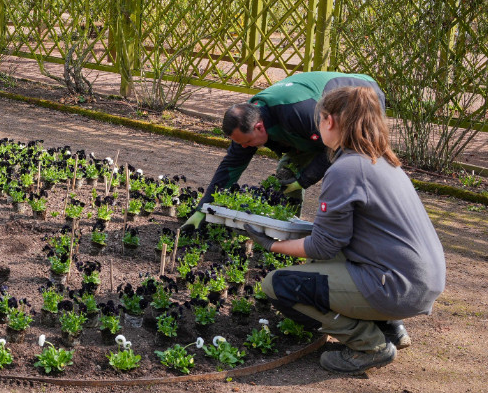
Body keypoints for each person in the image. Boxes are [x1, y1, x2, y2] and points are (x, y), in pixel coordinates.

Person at [245, 86, 446, 374]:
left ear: (330, 121)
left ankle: (369, 345)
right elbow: (340, 236)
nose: (318, 126)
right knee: (320, 266)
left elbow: (323, 246)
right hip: (420, 279)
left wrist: (270, 244)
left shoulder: (344, 169)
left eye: (320, 119)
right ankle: (390, 327)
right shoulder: (383, 160)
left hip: (397, 286)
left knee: (278, 285)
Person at [183, 71, 385, 229]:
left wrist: (304, 180)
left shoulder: (302, 113)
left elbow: (336, 148)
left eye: (246, 142)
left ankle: (363, 229)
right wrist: (204, 208)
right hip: (311, 129)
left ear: (259, 128)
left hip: (362, 97)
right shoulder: (247, 120)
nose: (243, 147)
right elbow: (231, 164)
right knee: (286, 172)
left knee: (352, 168)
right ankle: (288, 227)